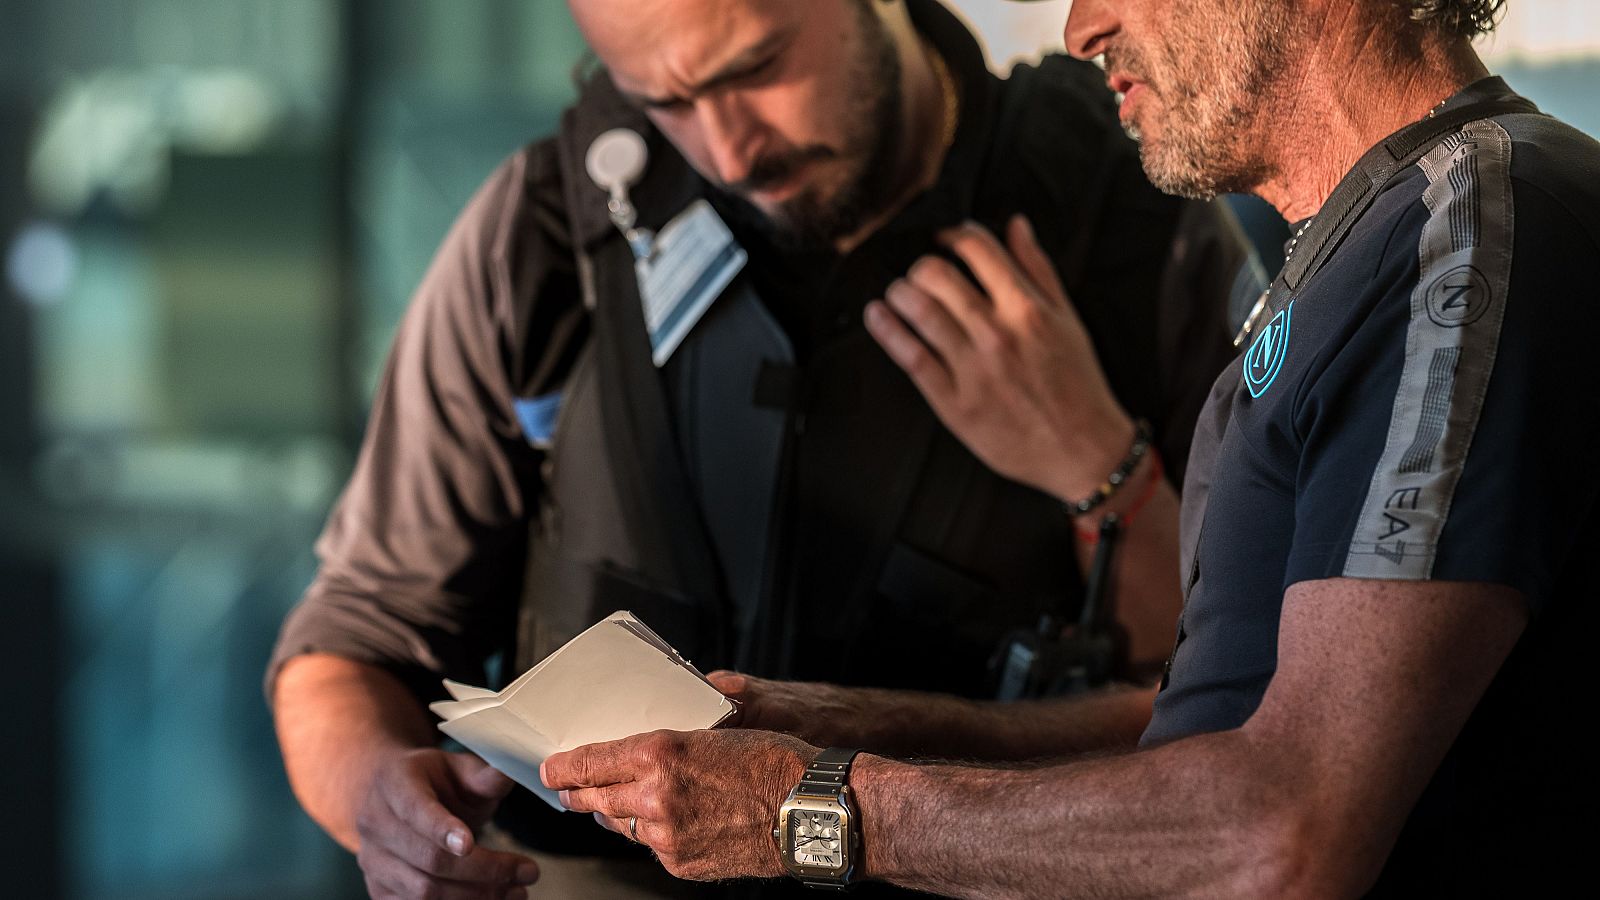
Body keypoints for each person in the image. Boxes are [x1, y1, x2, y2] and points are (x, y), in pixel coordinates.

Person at [542, 0, 1600, 895]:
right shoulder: (1360, 253)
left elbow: (1285, 830)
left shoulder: (1469, 233)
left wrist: (815, 810)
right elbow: (1203, 735)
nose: (1080, 25)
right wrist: (829, 734)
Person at [266, 0, 1255, 897]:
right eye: (664, 101)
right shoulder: (545, 234)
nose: (730, 149)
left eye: (752, 67)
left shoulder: (1134, 224)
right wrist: (377, 803)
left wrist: (1096, 464)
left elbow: (1246, 701)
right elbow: (353, 643)